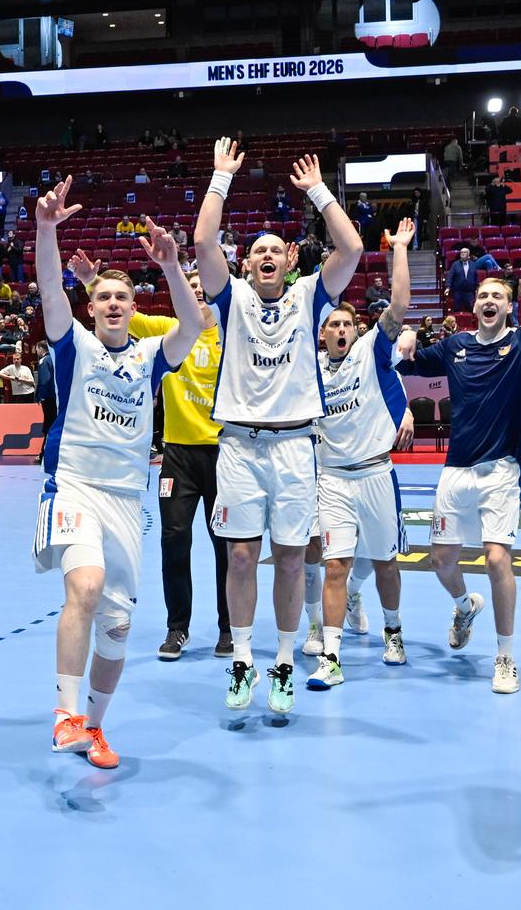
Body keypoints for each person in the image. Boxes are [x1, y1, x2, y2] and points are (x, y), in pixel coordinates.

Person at [33, 179, 201, 770]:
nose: (110, 304)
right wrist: (47, 228)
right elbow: (50, 288)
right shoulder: (73, 344)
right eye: (102, 296)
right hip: (75, 484)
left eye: (120, 298)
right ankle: (63, 715)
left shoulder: (151, 356)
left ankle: (94, 728)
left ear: (133, 308)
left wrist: (173, 265)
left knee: (120, 626)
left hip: (127, 499)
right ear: (91, 305)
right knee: (83, 586)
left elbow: (194, 326)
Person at [194, 138, 363, 715]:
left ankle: (285, 663)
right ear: (247, 263)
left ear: (291, 259)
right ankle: (243, 661)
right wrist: (220, 179)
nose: (266, 256)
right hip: (239, 444)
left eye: (276, 250)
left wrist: (317, 190)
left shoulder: (313, 295)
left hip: (295, 444)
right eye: (257, 250)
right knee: (241, 556)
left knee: (292, 558)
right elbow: (201, 242)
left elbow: (352, 246)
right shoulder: (231, 296)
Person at [398, 264, 521, 694]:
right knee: (441, 560)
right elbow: (408, 365)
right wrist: (405, 338)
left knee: (497, 559)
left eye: (498, 297)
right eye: (483, 296)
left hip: (501, 468)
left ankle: (506, 656)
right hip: (456, 469)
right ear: (473, 305)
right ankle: (464, 605)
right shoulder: (456, 345)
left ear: (510, 307)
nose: (489, 301)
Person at [69, 250, 229, 662]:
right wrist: (91, 278)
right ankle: (178, 629)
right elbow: (114, 312)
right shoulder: (166, 330)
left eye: (201, 291)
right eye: (188, 291)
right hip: (177, 454)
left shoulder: (232, 334)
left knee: (225, 545)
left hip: (225, 454)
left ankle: (229, 629)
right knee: (174, 541)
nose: (195, 296)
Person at [305, 220, 419, 687]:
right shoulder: (308, 367)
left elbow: (399, 306)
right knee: (336, 565)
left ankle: (394, 631)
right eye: (333, 324)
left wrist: (399, 249)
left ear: (355, 330)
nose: (341, 329)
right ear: (322, 334)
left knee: (387, 562)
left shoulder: (372, 350)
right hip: (331, 479)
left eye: (347, 323)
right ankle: (331, 657)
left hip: (375, 474)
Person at [447, 247, 478, 312]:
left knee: (470, 308)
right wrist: (448, 287)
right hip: (458, 291)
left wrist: (477, 288)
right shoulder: (455, 264)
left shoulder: (473, 264)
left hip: (469, 291)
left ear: (468, 255)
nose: (462, 253)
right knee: (456, 308)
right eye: (461, 252)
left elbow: (475, 277)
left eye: (465, 252)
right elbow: (450, 276)